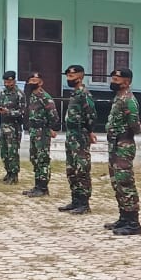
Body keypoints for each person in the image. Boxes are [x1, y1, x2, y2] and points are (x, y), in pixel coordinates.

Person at [105, 68, 141, 235]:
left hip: (124, 144)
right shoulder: (118, 98)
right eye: (113, 78)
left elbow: (134, 124)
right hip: (115, 144)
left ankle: (133, 223)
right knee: (117, 182)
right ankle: (124, 217)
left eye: (117, 79)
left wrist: (136, 128)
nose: (113, 82)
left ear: (127, 82)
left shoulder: (129, 100)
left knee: (125, 182)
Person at [58, 64, 97, 214]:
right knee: (71, 169)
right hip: (71, 135)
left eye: (72, 76)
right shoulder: (74, 93)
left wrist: (89, 131)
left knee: (82, 169)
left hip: (80, 135)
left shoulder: (84, 94)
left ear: (80, 77)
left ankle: (84, 203)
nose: (69, 79)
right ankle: (75, 200)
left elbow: (91, 114)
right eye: (68, 76)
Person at [22, 72, 58, 198]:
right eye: (30, 80)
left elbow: (54, 115)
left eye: (35, 80)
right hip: (33, 131)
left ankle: (43, 188)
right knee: (35, 158)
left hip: (42, 131)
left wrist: (50, 128)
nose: (32, 82)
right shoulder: (32, 96)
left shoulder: (45, 97)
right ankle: (37, 186)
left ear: (41, 82)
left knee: (42, 159)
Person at [0, 70, 26, 184]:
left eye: (9, 81)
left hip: (14, 127)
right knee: (4, 151)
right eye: (5, 81)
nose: (7, 84)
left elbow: (22, 112)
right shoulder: (3, 93)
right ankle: (8, 172)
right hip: (4, 126)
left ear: (14, 81)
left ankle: (14, 175)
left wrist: (8, 112)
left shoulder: (19, 94)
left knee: (12, 152)